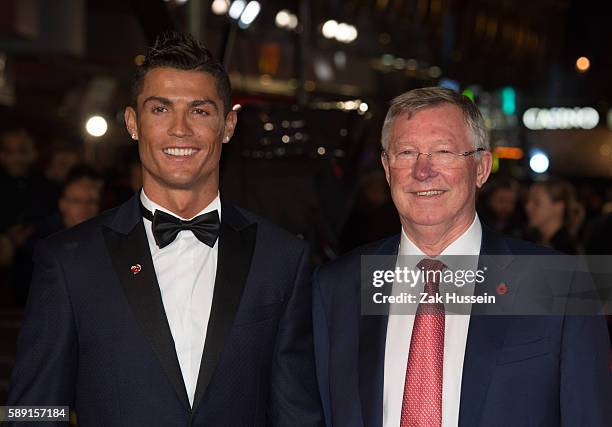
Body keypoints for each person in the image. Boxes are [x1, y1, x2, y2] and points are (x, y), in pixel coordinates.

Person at [8, 32, 323, 426]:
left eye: (200, 111)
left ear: (228, 125)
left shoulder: (281, 258)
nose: (180, 129)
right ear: (132, 122)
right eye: (160, 110)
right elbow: (32, 412)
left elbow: (297, 414)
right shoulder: (68, 261)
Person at [312, 87, 611, 426]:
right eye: (407, 152)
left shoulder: (562, 283)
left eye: (443, 152)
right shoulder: (337, 287)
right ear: (386, 167)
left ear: (481, 167)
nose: (423, 171)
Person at [525, 178, 581, 254]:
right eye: (528, 201)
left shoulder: (565, 250)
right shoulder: (534, 240)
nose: (528, 207)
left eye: (536, 202)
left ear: (558, 207)